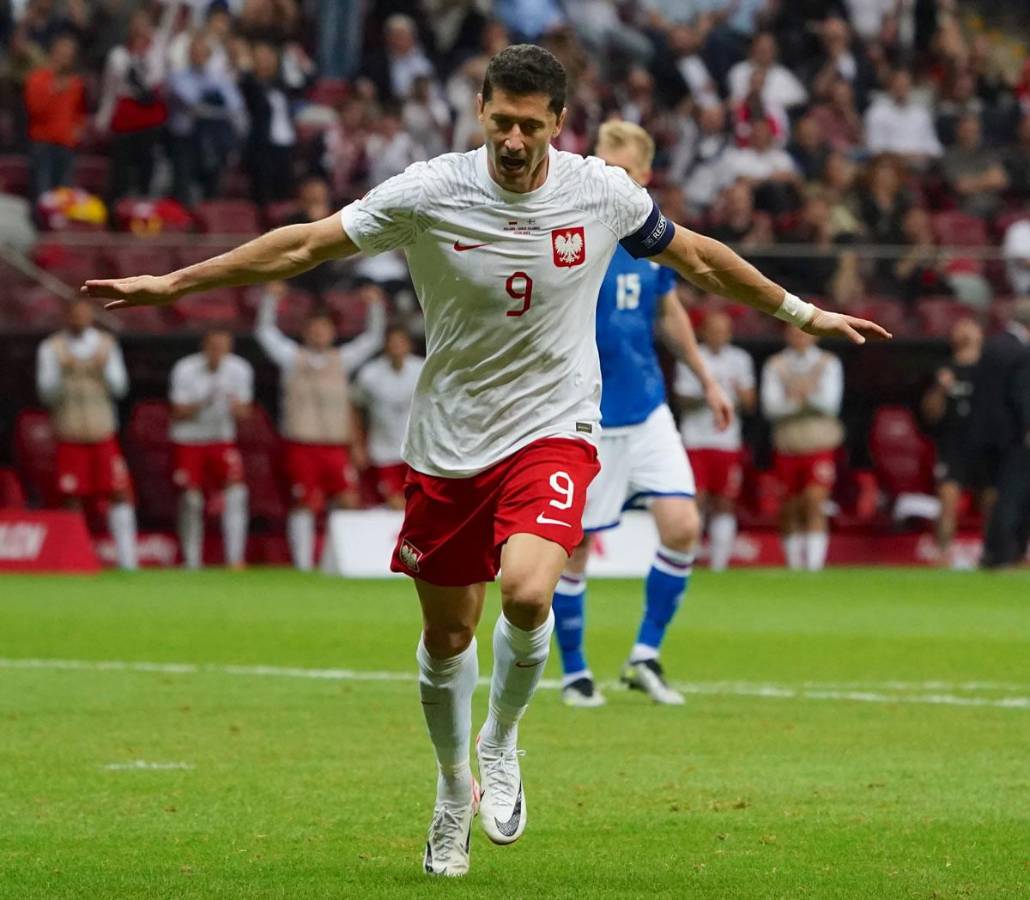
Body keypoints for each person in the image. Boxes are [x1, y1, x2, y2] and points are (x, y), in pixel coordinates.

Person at [82, 44, 888, 879]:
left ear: (558, 124)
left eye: (529, 126)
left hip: (555, 427)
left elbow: (698, 257)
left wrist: (801, 311)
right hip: (450, 441)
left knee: (529, 589)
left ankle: (501, 743)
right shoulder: (429, 190)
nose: (512, 138)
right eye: (500, 120)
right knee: (447, 634)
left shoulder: (601, 191)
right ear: (479, 109)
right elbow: (302, 248)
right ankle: (449, 787)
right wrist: (174, 284)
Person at [550, 120, 734, 710]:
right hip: (587, 414)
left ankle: (645, 656)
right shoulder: (577, 232)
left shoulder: (653, 241)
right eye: (605, 167)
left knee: (683, 527)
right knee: (573, 547)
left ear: (646, 176)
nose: (612, 181)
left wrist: (706, 378)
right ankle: (576, 671)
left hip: (648, 407)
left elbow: (670, 311)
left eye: (624, 172)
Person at [255, 283, 385, 571]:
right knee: (303, 503)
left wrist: (374, 307)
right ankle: (302, 565)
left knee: (347, 500)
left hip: (335, 445)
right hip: (301, 443)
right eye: (314, 329)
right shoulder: (291, 358)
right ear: (305, 332)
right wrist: (269, 301)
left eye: (323, 329)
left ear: (332, 333)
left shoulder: (343, 360)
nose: (318, 334)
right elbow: (265, 334)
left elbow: (373, 340)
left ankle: (335, 561)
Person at [35, 299, 137, 570]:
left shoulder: (106, 345)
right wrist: (64, 370)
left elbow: (121, 389)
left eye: (83, 314)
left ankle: (128, 562)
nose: (79, 319)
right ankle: (76, 558)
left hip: (102, 431)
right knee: (72, 497)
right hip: (70, 433)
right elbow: (46, 394)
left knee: (119, 492)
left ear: (91, 315)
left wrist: (103, 370)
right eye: (74, 315)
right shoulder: (51, 348)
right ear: (66, 316)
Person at [675, 311, 756, 572]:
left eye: (723, 330)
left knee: (724, 501)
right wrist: (711, 391)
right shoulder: (690, 356)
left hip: (726, 441)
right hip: (696, 439)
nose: (718, 335)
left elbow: (750, 402)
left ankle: (719, 566)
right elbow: (682, 399)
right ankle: (688, 560)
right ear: (703, 332)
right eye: (713, 329)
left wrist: (737, 394)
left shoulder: (740, 360)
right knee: (695, 499)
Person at [761, 327, 844, 572]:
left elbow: (831, 405)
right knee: (789, 507)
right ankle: (794, 566)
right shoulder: (775, 364)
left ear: (815, 335)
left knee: (815, 502)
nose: (800, 338)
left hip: (818, 444)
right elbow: (770, 407)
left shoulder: (828, 362)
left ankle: (814, 567)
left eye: (805, 333)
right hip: (788, 443)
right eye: (795, 333)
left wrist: (797, 398)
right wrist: (803, 400)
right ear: (787, 335)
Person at [168, 329, 253, 570]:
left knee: (236, 494)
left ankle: (234, 558)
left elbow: (246, 412)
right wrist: (206, 400)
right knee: (191, 500)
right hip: (189, 439)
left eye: (222, 346)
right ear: (204, 347)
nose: (217, 352)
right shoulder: (185, 369)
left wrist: (236, 408)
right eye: (213, 346)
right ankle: (192, 560)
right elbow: (177, 411)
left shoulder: (240, 369)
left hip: (221, 438)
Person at [920, 318, 987, 567]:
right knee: (948, 498)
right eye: (961, 330)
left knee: (992, 498)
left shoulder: (991, 370)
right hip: (953, 443)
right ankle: (942, 553)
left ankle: (993, 553)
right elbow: (930, 413)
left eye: (971, 329)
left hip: (984, 443)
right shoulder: (944, 370)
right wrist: (940, 388)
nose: (966, 334)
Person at [977, 299, 1030, 568]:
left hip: (985, 434)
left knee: (993, 493)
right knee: (1011, 496)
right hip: (1013, 436)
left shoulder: (992, 345)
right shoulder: (1022, 351)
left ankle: (990, 551)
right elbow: (1021, 394)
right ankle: (1005, 554)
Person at [353, 324, 425, 510]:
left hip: (416, 453)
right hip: (382, 452)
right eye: (392, 343)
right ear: (385, 346)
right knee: (393, 504)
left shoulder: (422, 370)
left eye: (400, 342)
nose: (396, 347)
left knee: (417, 505)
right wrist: (358, 444)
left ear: (409, 345)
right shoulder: (369, 374)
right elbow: (356, 409)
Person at [24, 31, 86, 199]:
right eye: (63, 52)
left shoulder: (76, 83)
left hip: (66, 146)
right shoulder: (37, 78)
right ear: (54, 52)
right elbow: (34, 109)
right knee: (43, 196)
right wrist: (54, 89)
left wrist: (78, 129)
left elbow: (79, 113)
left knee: (64, 197)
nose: (66, 57)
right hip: (43, 145)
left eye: (70, 54)